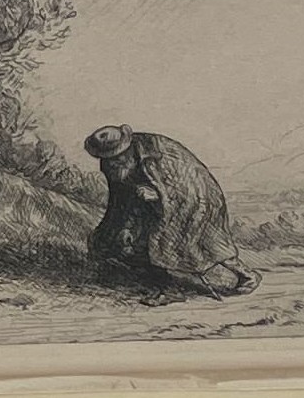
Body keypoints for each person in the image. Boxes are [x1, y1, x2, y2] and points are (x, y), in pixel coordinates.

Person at [84, 124, 256, 298]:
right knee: (122, 238)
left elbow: (185, 187)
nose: (112, 162)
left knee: (199, 242)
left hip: (195, 199)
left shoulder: (159, 155)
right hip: (151, 205)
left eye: (117, 156)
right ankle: (159, 284)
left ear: (126, 147)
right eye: (108, 157)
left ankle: (247, 275)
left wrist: (157, 195)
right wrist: (125, 225)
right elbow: (120, 198)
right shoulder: (113, 165)